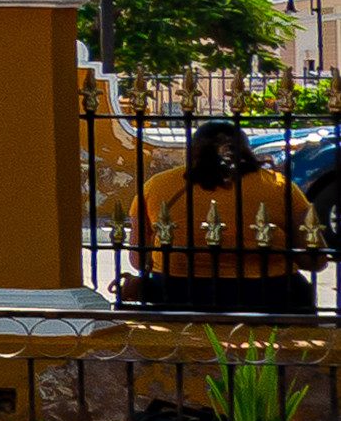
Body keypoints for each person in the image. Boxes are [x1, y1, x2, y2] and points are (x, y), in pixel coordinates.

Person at [124, 120, 321, 318]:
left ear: (192, 151)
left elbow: (139, 259)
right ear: (245, 151)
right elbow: (315, 260)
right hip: (268, 294)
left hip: (177, 293)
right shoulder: (279, 186)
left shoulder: (157, 185)